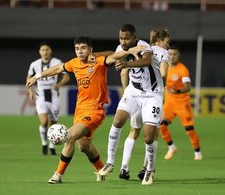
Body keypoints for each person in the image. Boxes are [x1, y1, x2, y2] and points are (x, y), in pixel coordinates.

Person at [26, 35, 145, 184]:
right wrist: (37, 76)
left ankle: (58, 175)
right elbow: (57, 69)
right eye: (77, 48)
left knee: (70, 136)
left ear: (90, 50)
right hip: (80, 110)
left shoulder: (98, 61)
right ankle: (102, 169)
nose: (80, 51)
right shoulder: (74, 63)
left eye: (83, 48)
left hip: (95, 111)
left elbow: (113, 55)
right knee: (84, 146)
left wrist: (129, 51)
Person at [98, 24, 164, 185]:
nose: (123, 41)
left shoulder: (144, 46)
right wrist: (93, 55)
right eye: (121, 38)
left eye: (127, 38)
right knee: (117, 121)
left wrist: (126, 64)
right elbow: (114, 54)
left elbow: (147, 60)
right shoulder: (121, 47)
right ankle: (110, 162)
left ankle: (150, 170)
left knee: (148, 137)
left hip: (153, 94)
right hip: (133, 91)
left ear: (134, 37)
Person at [117, 29, 170, 181]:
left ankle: (124, 167)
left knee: (133, 131)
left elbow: (123, 73)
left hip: (134, 95)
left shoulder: (136, 49)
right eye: (167, 41)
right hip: (152, 96)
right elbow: (164, 74)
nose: (168, 44)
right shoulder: (162, 53)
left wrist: (127, 91)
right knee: (152, 135)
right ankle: (146, 168)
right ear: (159, 41)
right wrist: (160, 86)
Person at [158, 47, 203, 161]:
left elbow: (188, 87)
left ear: (179, 56)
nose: (172, 56)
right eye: (170, 54)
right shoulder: (164, 67)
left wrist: (177, 91)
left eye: (174, 54)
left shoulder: (182, 70)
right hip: (169, 104)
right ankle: (171, 147)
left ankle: (197, 152)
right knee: (161, 126)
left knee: (189, 130)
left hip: (182, 104)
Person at [26, 41, 70, 156]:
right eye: (43, 50)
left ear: (51, 51)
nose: (45, 52)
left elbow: (66, 76)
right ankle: (44, 144)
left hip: (53, 96)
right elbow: (29, 78)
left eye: (47, 50)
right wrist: (30, 91)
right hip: (40, 96)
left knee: (53, 123)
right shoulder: (34, 64)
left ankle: (52, 145)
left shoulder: (57, 62)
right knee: (44, 121)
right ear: (39, 52)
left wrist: (59, 85)